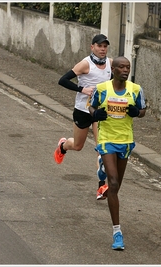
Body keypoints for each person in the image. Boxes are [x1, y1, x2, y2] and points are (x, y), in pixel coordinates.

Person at [88, 56, 146, 250]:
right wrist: (95, 114)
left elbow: (143, 110)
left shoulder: (135, 89)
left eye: (127, 67)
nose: (125, 70)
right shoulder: (103, 88)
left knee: (116, 187)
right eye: (121, 67)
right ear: (113, 69)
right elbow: (91, 105)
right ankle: (117, 232)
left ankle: (103, 168)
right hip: (106, 139)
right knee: (112, 183)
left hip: (126, 141)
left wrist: (136, 112)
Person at [53, 34, 113, 200]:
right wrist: (82, 89)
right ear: (92, 47)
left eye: (105, 46)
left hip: (99, 112)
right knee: (78, 145)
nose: (102, 49)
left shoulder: (110, 64)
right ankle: (63, 145)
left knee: (101, 149)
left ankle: (101, 187)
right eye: (99, 46)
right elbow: (62, 80)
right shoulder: (85, 64)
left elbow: (113, 83)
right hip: (82, 110)